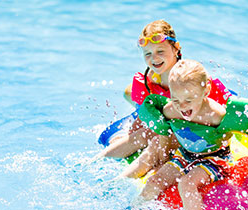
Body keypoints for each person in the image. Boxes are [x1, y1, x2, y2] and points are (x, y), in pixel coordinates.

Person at [134, 59, 248, 210]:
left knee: (187, 185)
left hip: (216, 158)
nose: (182, 106)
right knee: (154, 181)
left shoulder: (215, 114)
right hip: (185, 154)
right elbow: (164, 129)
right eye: (175, 99)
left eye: (188, 99)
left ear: (206, 91)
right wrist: (163, 153)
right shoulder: (170, 110)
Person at [91, 20, 231, 176]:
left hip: (191, 134)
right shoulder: (148, 81)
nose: (154, 58)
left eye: (160, 51)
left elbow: (229, 109)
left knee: (152, 135)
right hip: (163, 127)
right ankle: (95, 162)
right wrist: (131, 134)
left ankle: (118, 172)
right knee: (144, 130)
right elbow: (145, 115)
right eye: (148, 53)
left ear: (176, 48)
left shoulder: (191, 79)